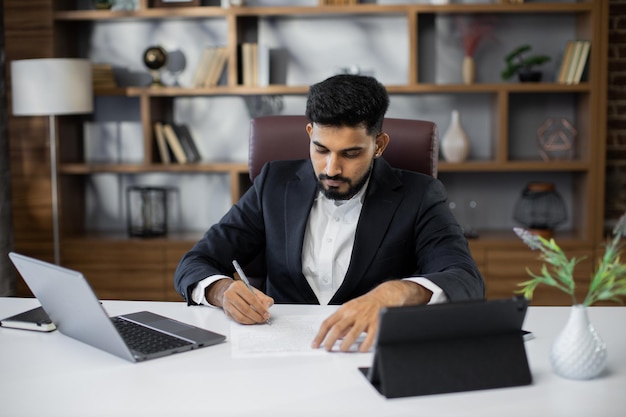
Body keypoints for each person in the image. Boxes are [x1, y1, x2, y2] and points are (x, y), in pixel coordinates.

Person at [174, 74, 484, 353]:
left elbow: (465, 280)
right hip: (278, 358)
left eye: (351, 153)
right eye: (321, 150)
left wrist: (397, 292)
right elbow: (195, 262)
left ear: (378, 145)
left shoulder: (420, 195)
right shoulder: (273, 183)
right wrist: (221, 290)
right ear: (309, 133)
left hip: (367, 354)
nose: (331, 169)